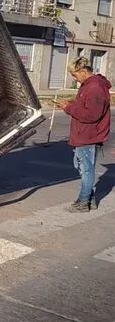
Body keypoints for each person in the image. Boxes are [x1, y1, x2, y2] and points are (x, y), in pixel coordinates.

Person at [58, 57, 111, 212]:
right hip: (85, 134)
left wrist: (69, 108)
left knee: (85, 170)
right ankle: (90, 200)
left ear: (83, 71)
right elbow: (85, 106)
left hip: (88, 135)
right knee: (82, 167)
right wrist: (71, 104)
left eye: (75, 75)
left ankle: (83, 202)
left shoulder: (94, 87)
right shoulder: (88, 86)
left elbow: (91, 115)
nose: (74, 78)